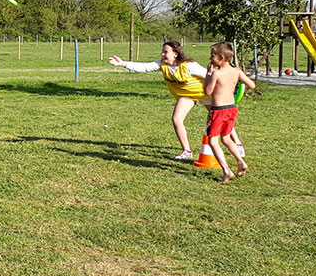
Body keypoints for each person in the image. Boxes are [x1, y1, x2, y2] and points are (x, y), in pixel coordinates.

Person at [109, 41, 243, 160]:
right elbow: (144, 67)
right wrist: (123, 64)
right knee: (176, 119)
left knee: (221, 119)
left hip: (206, 94)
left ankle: (238, 144)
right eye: (162, 52)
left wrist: (233, 87)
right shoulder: (162, 65)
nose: (162, 55)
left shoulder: (189, 66)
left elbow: (213, 75)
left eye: (165, 52)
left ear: (175, 54)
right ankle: (187, 151)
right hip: (186, 96)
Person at [203, 42, 255, 183]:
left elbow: (207, 91)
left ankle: (227, 171)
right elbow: (252, 85)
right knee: (226, 138)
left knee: (213, 141)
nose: (210, 58)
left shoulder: (217, 73)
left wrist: (208, 74)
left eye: (212, 56)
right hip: (231, 109)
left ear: (221, 58)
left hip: (218, 111)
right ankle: (240, 161)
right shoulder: (237, 71)